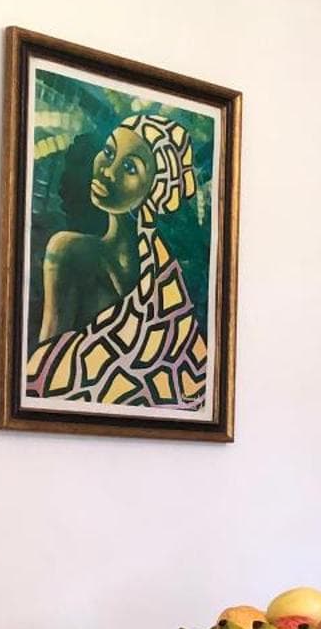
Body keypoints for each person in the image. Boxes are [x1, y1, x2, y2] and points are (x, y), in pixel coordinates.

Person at [25, 112, 211, 410]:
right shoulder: (69, 251)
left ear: (154, 189)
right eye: (109, 152)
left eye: (130, 167)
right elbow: (46, 369)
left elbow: (44, 371)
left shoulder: (167, 287)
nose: (107, 171)